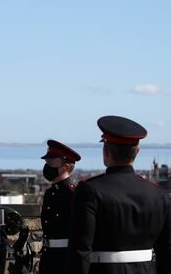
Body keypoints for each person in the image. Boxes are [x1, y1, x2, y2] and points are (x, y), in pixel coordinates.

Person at [67, 115, 171, 274]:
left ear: (106, 151)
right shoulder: (159, 194)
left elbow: (80, 251)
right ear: (136, 151)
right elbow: (166, 252)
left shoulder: (89, 191)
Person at [39, 140, 81, 274]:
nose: (47, 166)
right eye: (46, 163)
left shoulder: (73, 194)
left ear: (66, 166)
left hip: (65, 259)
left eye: (51, 162)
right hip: (48, 257)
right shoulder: (50, 193)